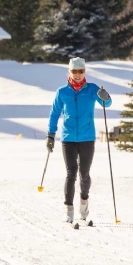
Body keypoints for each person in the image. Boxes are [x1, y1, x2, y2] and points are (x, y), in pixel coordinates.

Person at [47, 57, 111, 224]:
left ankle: (84, 203)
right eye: (74, 71)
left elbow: (107, 103)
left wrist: (106, 97)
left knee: (84, 173)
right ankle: (68, 210)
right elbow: (54, 114)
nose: (77, 75)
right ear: (69, 72)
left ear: (84, 72)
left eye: (80, 71)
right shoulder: (62, 92)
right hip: (68, 138)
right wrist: (51, 135)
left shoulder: (92, 89)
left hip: (87, 138)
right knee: (71, 173)